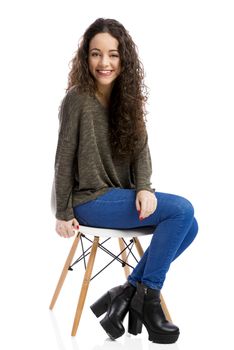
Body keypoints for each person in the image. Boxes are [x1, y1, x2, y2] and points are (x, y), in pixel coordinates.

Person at [51, 18, 198, 344]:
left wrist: (145, 187)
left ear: (124, 58)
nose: (104, 63)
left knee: (191, 224)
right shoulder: (77, 100)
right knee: (182, 211)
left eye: (113, 55)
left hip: (122, 196)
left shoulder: (129, 99)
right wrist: (61, 211)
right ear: (85, 57)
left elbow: (141, 153)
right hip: (90, 200)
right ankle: (148, 300)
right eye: (96, 54)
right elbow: (63, 159)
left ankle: (126, 292)